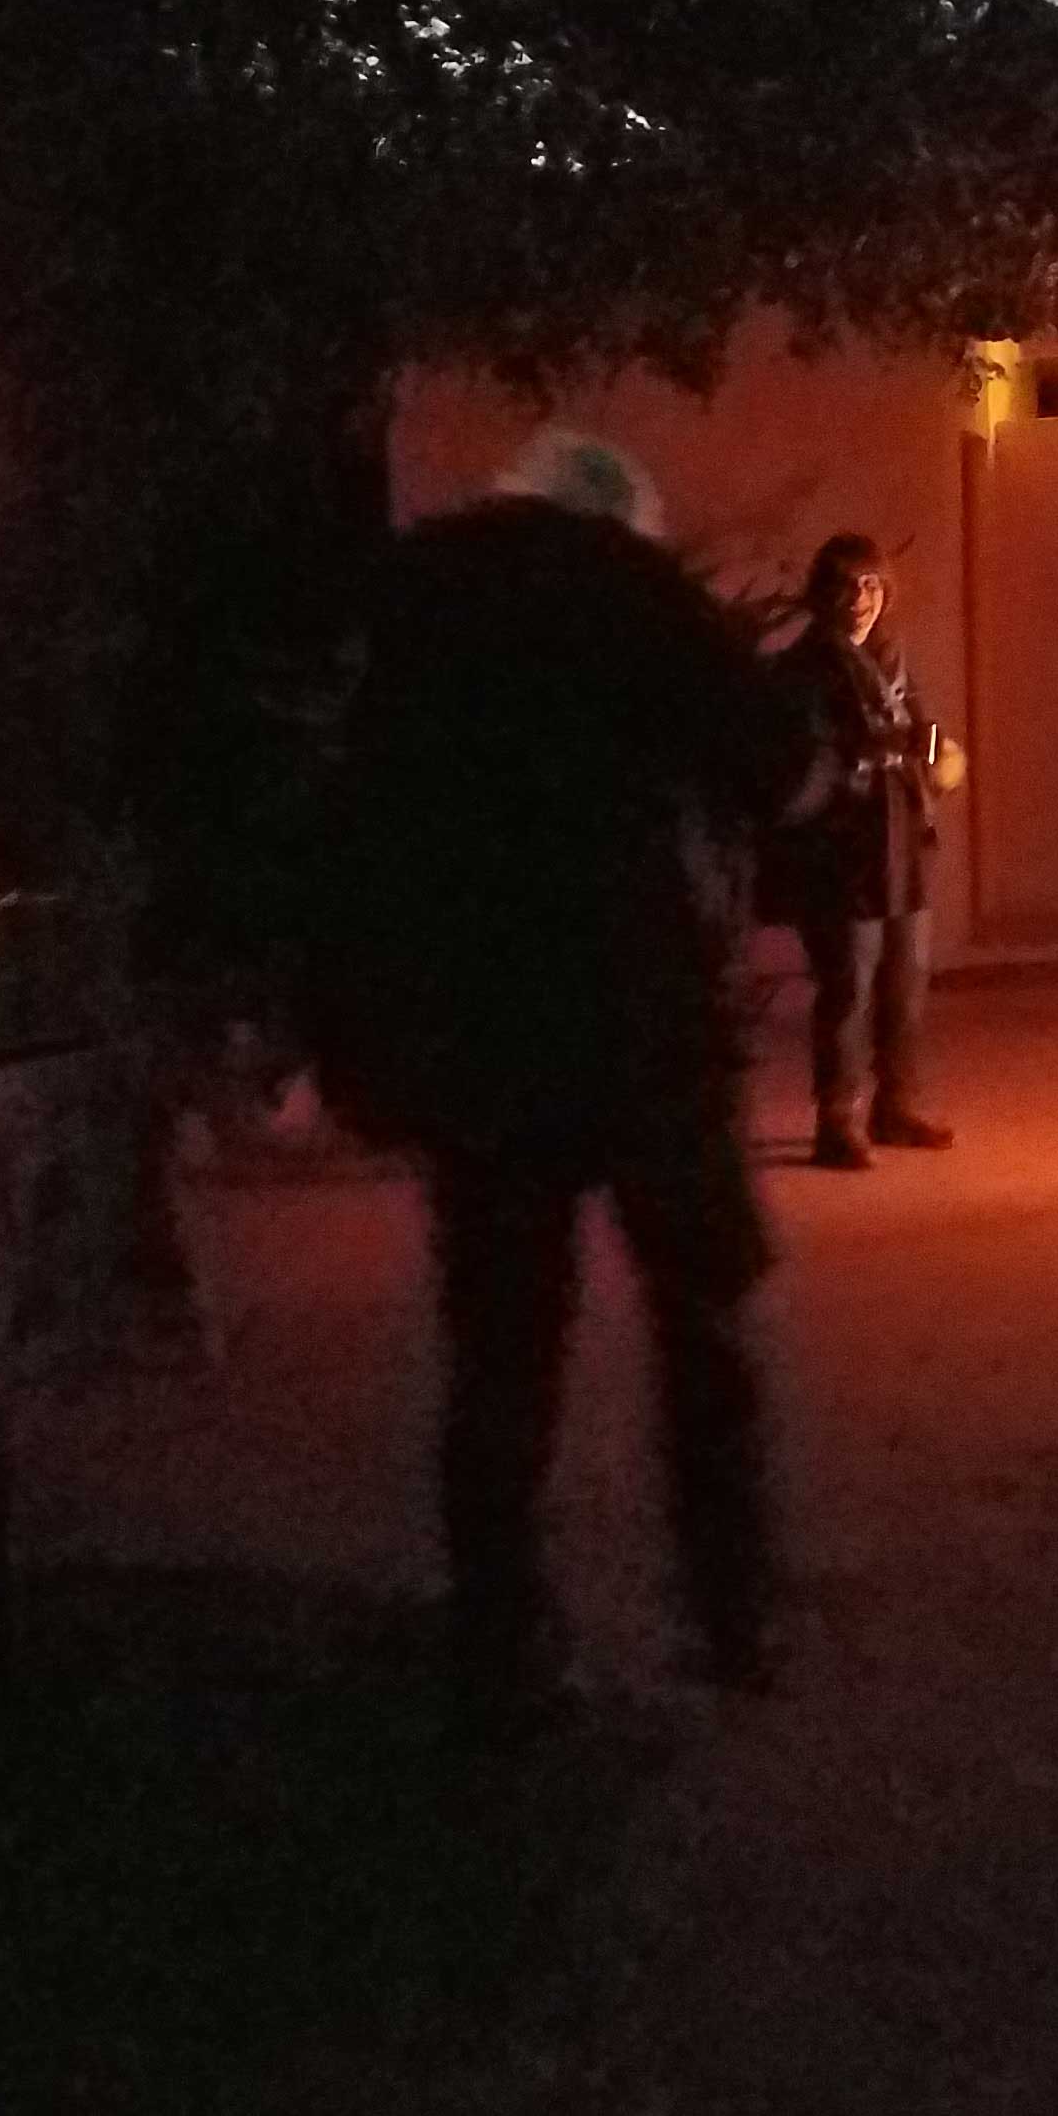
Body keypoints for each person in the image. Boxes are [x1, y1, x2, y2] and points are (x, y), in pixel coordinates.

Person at [305, 453, 820, 1740]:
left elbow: (349, 819)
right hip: (641, 1015)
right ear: (618, 520)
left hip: (482, 1028)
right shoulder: (634, 591)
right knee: (700, 1320)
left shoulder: (414, 608)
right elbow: (779, 763)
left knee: (502, 1347)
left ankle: (501, 1634)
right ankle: (732, 1612)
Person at [765, 531, 959, 1169]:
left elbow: (924, 732)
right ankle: (837, 1120)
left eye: (871, 585)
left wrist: (938, 756)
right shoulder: (804, 669)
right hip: (842, 855)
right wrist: (860, 760)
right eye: (847, 586)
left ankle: (895, 1107)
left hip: (903, 844)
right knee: (848, 987)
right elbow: (800, 766)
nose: (860, 599)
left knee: (906, 985)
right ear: (824, 594)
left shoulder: (890, 657)